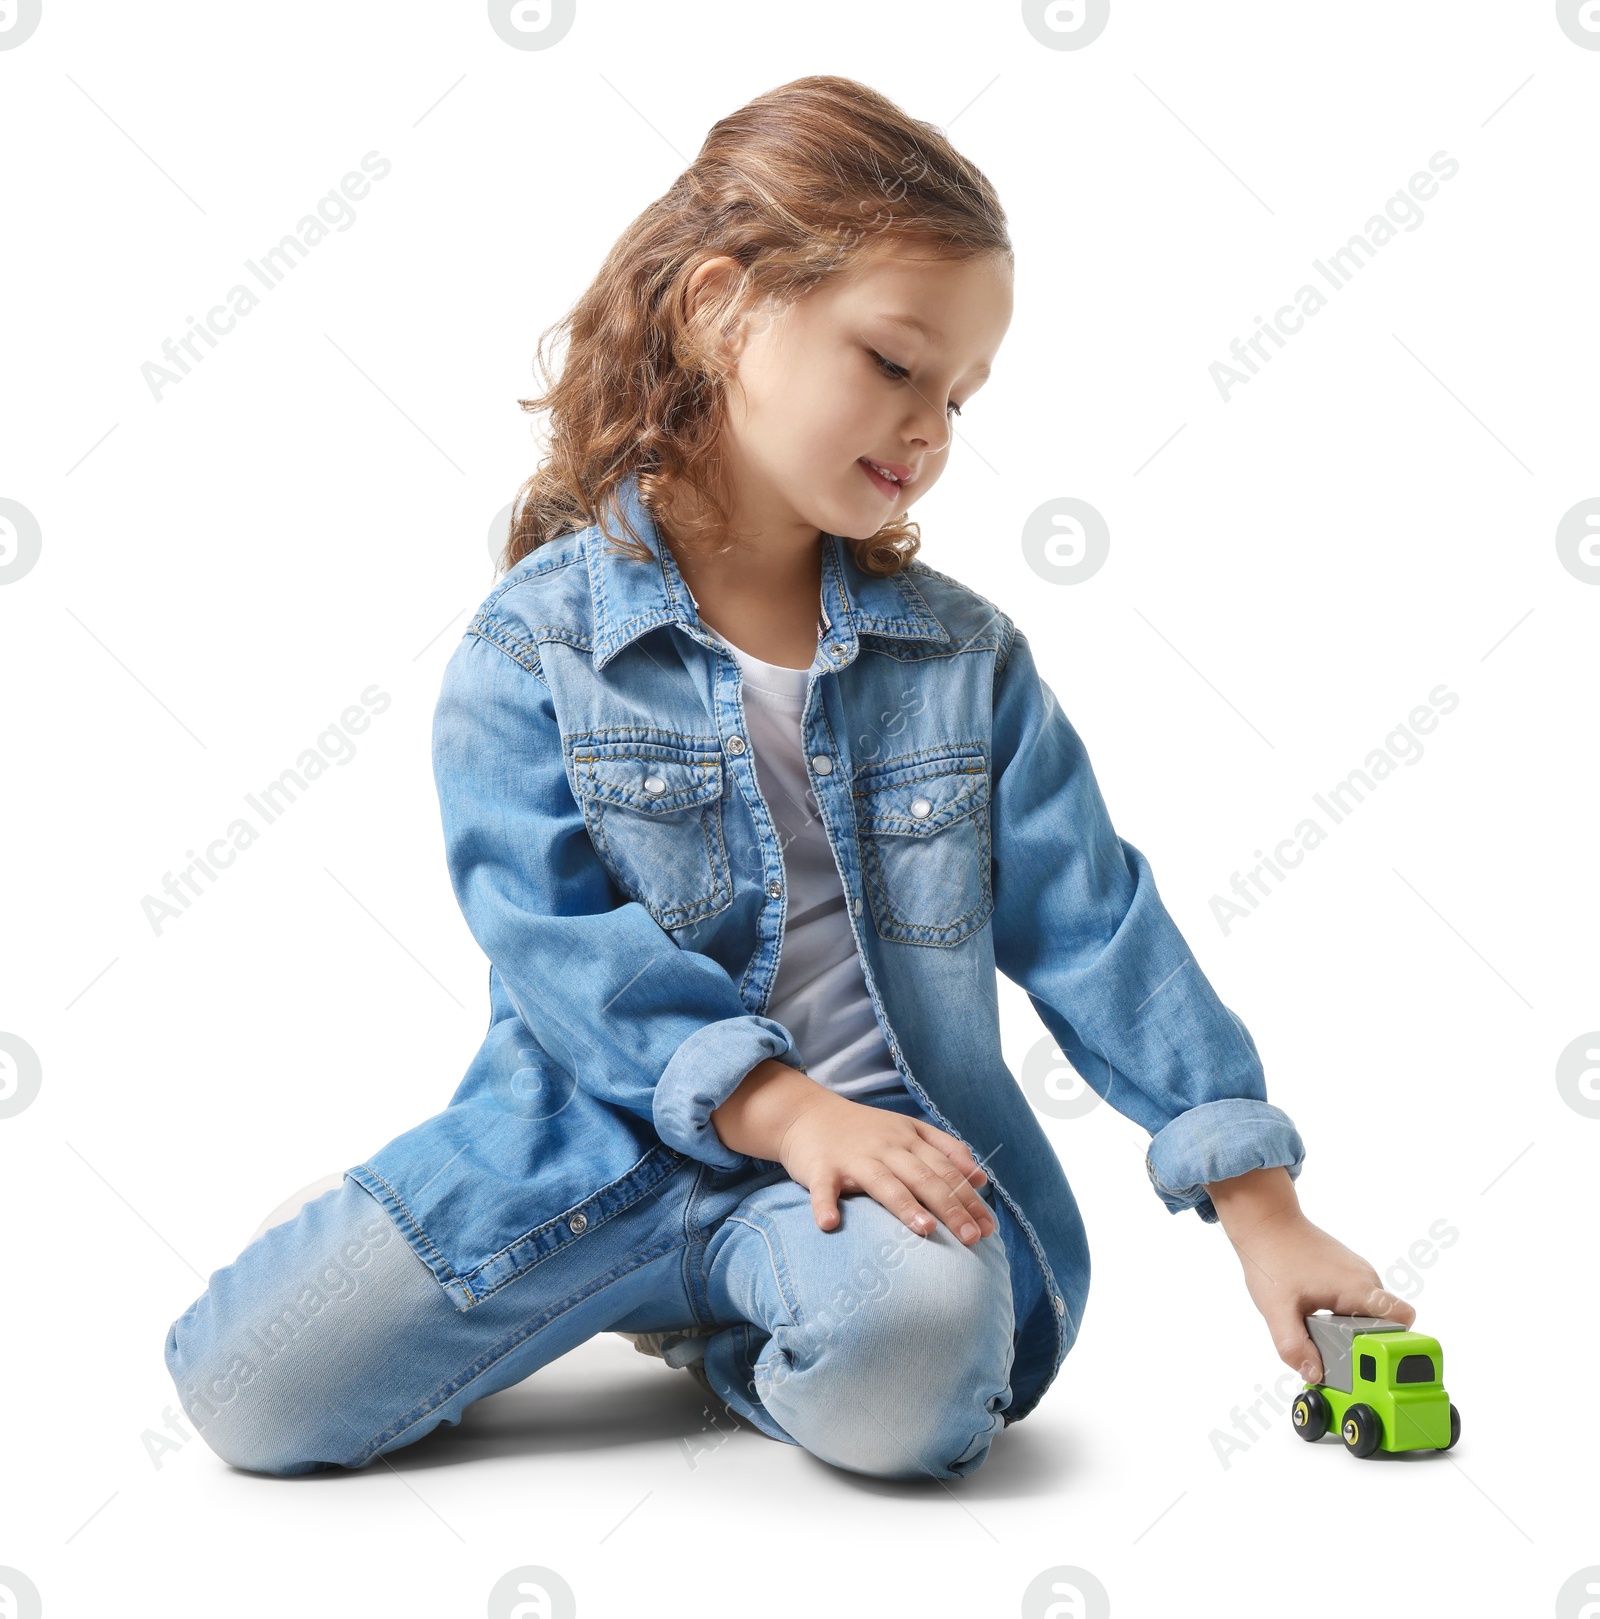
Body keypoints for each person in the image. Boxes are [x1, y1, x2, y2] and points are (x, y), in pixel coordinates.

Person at [161, 74, 1413, 1484]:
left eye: (960, 393)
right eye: (892, 362)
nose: (931, 425)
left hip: (874, 1199)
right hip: (587, 1158)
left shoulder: (964, 662)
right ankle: (456, 1244)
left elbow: (1098, 927)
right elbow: (560, 943)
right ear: (720, 310)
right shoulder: (535, 648)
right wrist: (779, 1108)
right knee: (251, 1399)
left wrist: (1262, 1207)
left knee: (931, 1366)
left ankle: (723, 1321)